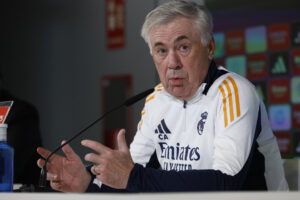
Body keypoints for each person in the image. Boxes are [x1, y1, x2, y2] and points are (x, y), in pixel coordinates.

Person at [37, 0, 289, 192]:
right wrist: (88, 184)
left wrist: (133, 177)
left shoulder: (234, 91)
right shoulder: (157, 99)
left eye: (183, 47)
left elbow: (226, 183)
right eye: (160, 50)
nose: (172, 63)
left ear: (209, 47)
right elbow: (128, 176)